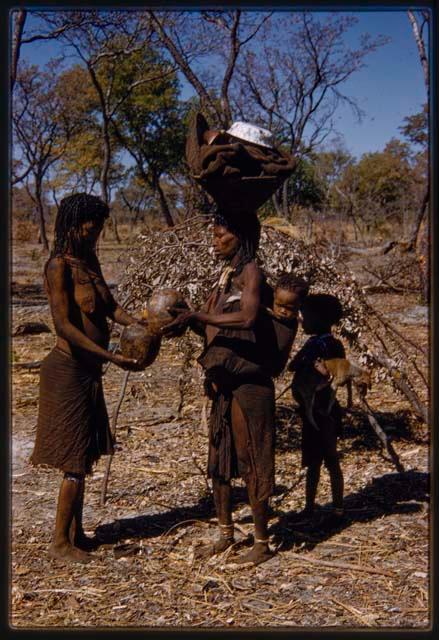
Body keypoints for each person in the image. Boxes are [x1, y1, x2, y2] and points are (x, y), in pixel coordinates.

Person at [165, 215, 304, 565]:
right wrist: (189, 320)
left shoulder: (251, 273)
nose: (214, 241)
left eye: (219, 235)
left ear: (238, 237)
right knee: (221, 461)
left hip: (250, 386)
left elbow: (246, 320)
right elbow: (220, 331)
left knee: (253, 459)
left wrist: (198, 316)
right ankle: (226, 533)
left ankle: (261, 542)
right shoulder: (225, 279)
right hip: (224, 385)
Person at [30, 193, 141, 564]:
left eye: (97, 231)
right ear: (72, 226)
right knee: (73, 461)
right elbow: (63, 325)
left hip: (89, 372)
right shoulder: (57, 267)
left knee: (85, 457)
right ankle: (60, 543)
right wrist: (111, 356)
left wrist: (140, 326)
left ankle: (76, 534)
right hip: (67, 371)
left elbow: (110, 307)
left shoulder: (88, 261)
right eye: (89, 230)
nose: (93, 236)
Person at [288, 294, 346, 524]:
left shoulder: (322, 344)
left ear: (320, 319)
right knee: (318, 459)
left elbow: (337, 373)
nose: (302, 320)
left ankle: (333, 509)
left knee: (327, 459)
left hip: (323, 410)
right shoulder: (323, 344)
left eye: (307, 316)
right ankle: (316, 507)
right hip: (317, 410)